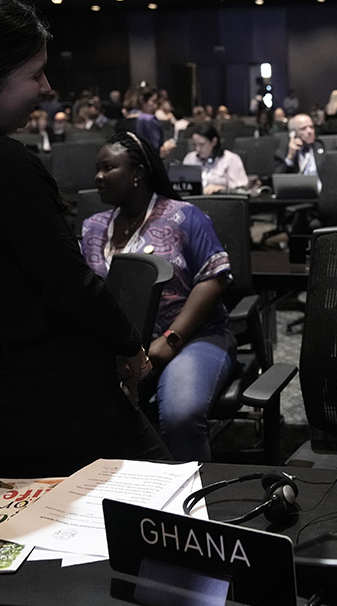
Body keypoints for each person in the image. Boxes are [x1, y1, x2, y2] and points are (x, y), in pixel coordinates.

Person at [0, 0, 168, 460]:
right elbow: (67, 283)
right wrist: (130, 346)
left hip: (9, 387)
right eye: (35, 75)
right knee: (157, 515)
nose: (47, 89)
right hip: (67, 391)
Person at [82, 132, 235, 461]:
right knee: (86, 412)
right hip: (121, 349)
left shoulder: (183, 216)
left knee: (181, 416)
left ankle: (191, 505)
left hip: (192, 338)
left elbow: (214, 279)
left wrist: (170, 340)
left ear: (137, 172)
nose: (98, 176)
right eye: (97, 168)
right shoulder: (92, 228)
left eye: (108, 168)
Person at [182, 124, 248, 193]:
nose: (197, 149)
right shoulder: (190, 158)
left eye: (202, 144)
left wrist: (221, 188)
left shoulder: (230, 159)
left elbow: (241, 188)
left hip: (221, 200)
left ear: (214, 141)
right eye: (195, 145)